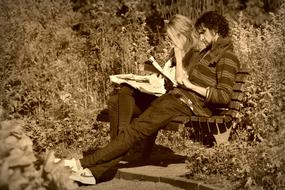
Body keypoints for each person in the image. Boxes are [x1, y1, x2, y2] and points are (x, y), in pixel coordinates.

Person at [62, 11, 240, 185]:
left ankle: (82, 164)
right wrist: (180, 69)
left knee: (136, 130)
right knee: (134, 126)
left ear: (215, 30)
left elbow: (223, 96)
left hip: (186, 102)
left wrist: (190, 85)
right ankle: (94, 172)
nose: (201, 37)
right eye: (200, 33)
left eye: (204, 32)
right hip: (177, 98)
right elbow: (181, 79)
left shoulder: (227, 57)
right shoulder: (208, 52)